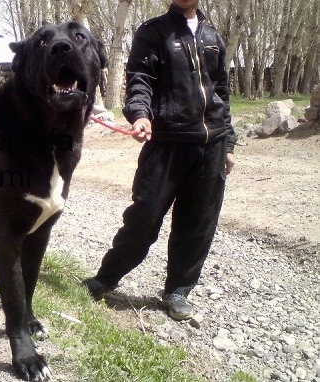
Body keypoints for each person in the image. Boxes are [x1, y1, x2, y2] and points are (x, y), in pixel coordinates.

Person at [82, 0, 237, 320]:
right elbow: (139, 79)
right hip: (166, 144)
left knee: (198, 223)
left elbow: (221, 90)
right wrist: (141, 114)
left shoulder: (214, 37)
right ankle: (105, 278)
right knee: (144, 216)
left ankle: (178, 290)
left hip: (212, 146)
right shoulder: (153, 32)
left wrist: (230, 143)